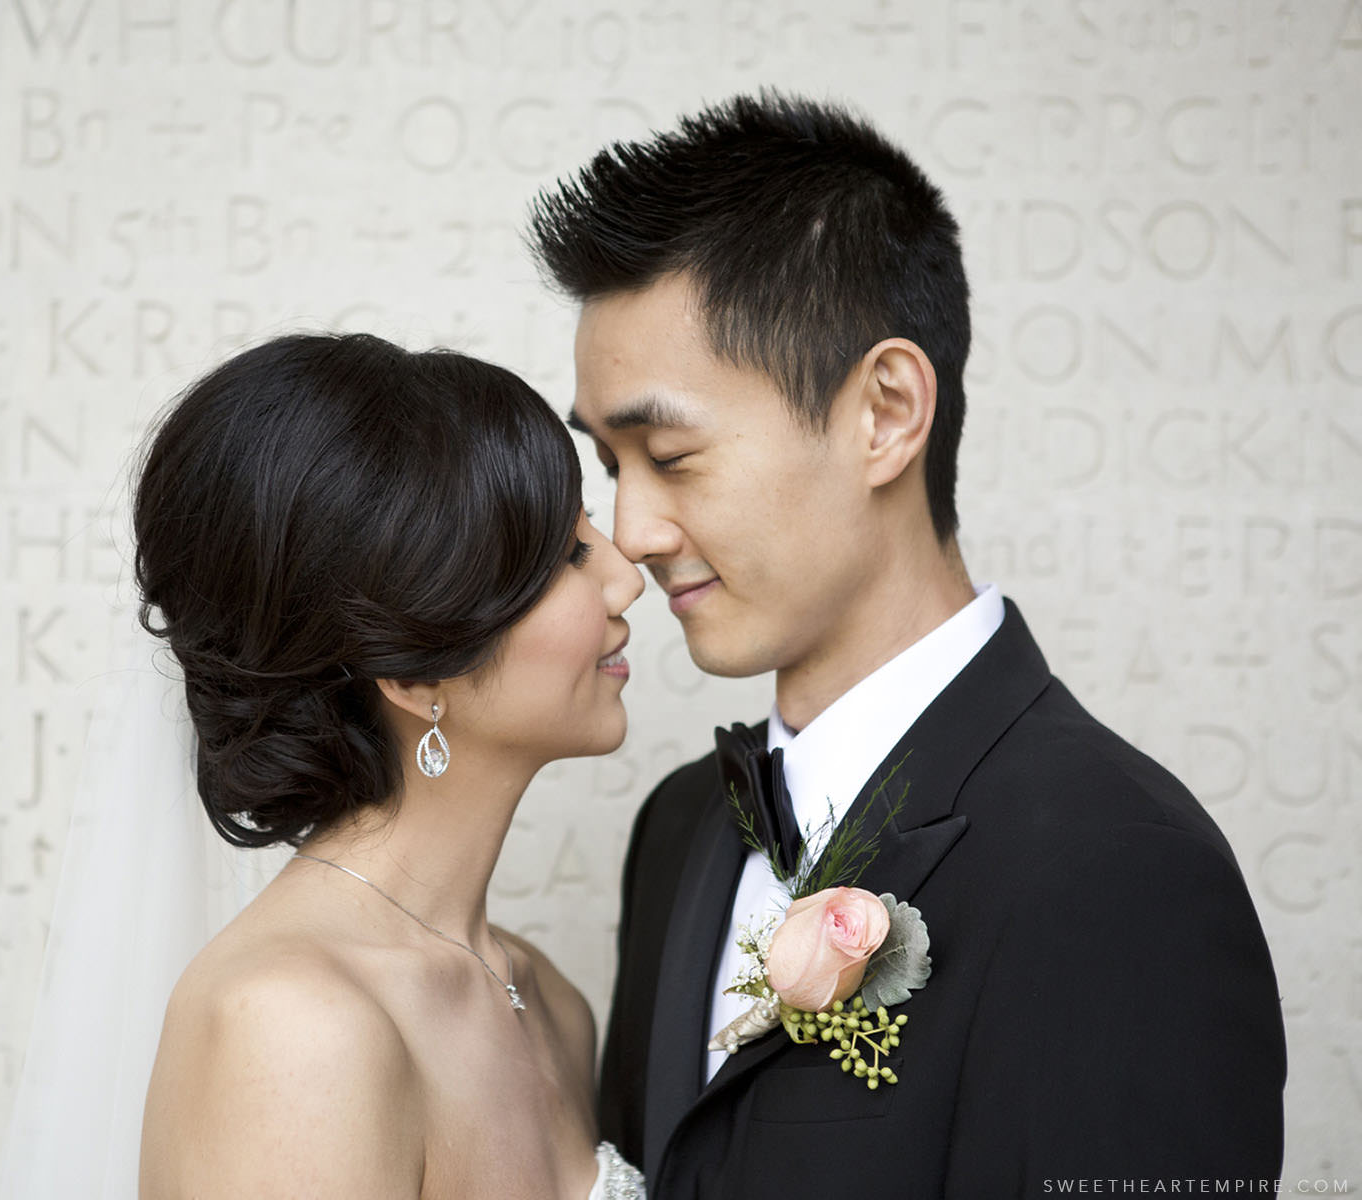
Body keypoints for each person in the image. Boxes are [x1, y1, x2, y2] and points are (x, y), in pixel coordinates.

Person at [528, 90, 1288, 1197]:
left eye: (672, 456)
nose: (631, 534)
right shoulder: (683, 825)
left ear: (885, 411)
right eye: (611, 465)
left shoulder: (1121, 873)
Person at [130, 332, 649, 1199]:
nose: (628, 577)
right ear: (415, 670)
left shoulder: (550, 1002)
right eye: (567, 555)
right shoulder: (293, 1024)